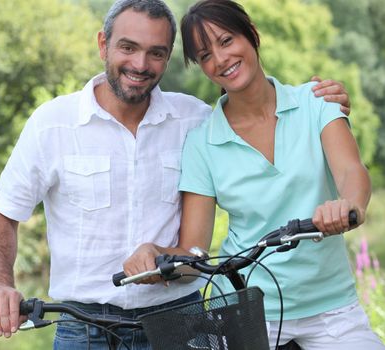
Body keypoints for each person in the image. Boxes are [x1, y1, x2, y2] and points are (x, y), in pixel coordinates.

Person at [0, 0, 352, 349]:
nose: (141, 64)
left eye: (156, 53)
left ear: (168, 57)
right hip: (83, 328)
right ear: (103, 44)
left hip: (179, 322)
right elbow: (1, 215)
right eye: (128, 47)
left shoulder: (195, 120)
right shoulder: (52, 124)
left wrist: (320, 103)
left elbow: (257, 118)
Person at [123, 1, 384, 349]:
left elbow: (352, 171)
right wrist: (156, 254)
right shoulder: (202, 142)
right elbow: (194, 252)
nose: (220, 59)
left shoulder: (315, 102)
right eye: (204, 55)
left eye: (227, 40)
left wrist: (348, 205)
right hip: (247, 310)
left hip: (332, 308)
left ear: (252, 35)